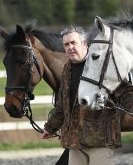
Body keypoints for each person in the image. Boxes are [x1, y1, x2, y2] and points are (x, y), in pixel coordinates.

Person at [41, 26, 121, 165]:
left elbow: (126, 91)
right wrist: (50, 127)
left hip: (100, 141)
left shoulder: (103, 65)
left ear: (85, 44)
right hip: (75, 142)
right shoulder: (67, 70)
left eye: (73, 43)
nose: (70, 47)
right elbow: (62, 105)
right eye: (66, 44)